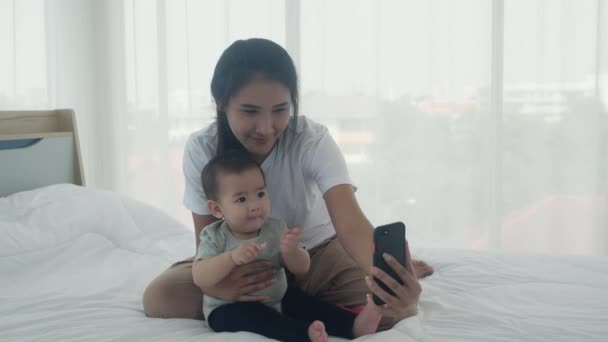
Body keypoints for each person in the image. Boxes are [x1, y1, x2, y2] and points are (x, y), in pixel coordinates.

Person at [143, 37, 433, 330]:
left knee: (395, 311)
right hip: (242, 260)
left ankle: (301, 297)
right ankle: (295, 302)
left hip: (317, 254)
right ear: (221, 103)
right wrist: (220, 288)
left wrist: (385, 276)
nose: (266, 128)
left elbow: (349, 223)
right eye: (250, 111)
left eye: (280, 110)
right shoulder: (202, 148)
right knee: (161, 297)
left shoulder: (311, 139)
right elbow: (207, 240)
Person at [194, 151, 381, 341]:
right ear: (217, 209)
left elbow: (302, 268)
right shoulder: (215, 236)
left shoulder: (275, 228)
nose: (255, 205)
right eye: (241, 199)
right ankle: (303, 334)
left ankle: (354, 325)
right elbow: (200, 275)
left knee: (305, 303)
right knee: (255, 319)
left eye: (260, 194)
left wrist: (292, 251)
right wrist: (231, 257)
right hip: (228, 306)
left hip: (278, 297)